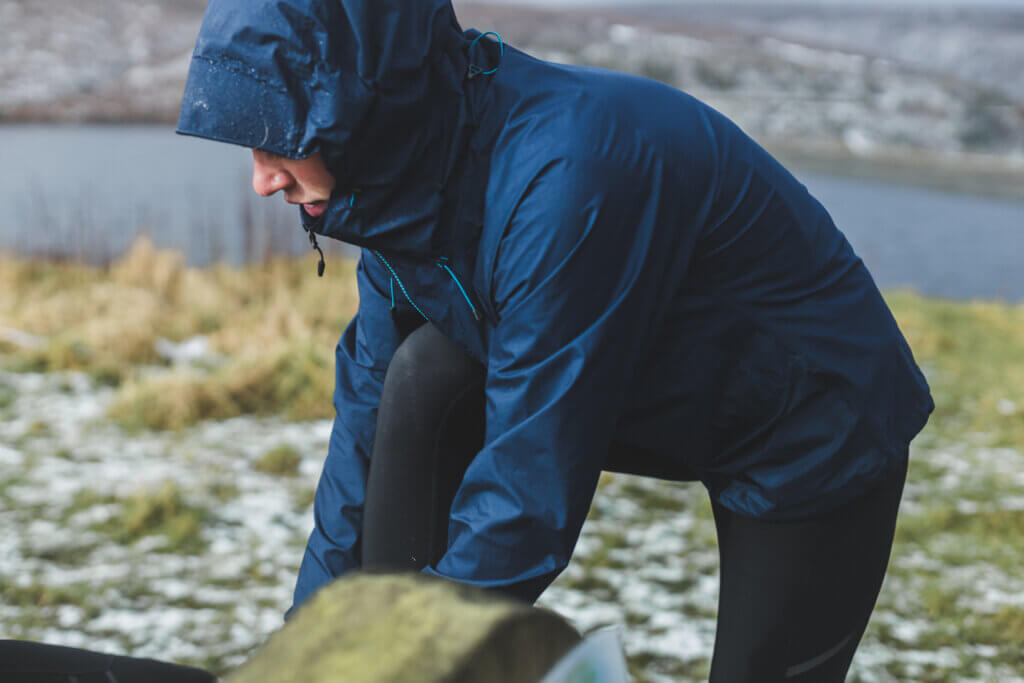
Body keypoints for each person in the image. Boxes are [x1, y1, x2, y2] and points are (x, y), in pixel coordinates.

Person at [177, 0, 934, 680]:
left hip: (810, 418)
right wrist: (307, 647)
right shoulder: (401, 195)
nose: (263, 181)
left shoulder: (566, 179)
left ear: (362, 106)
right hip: (658, 379)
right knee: (424, 369)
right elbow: (365, 438)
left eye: (278, 140)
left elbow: (528, 491)